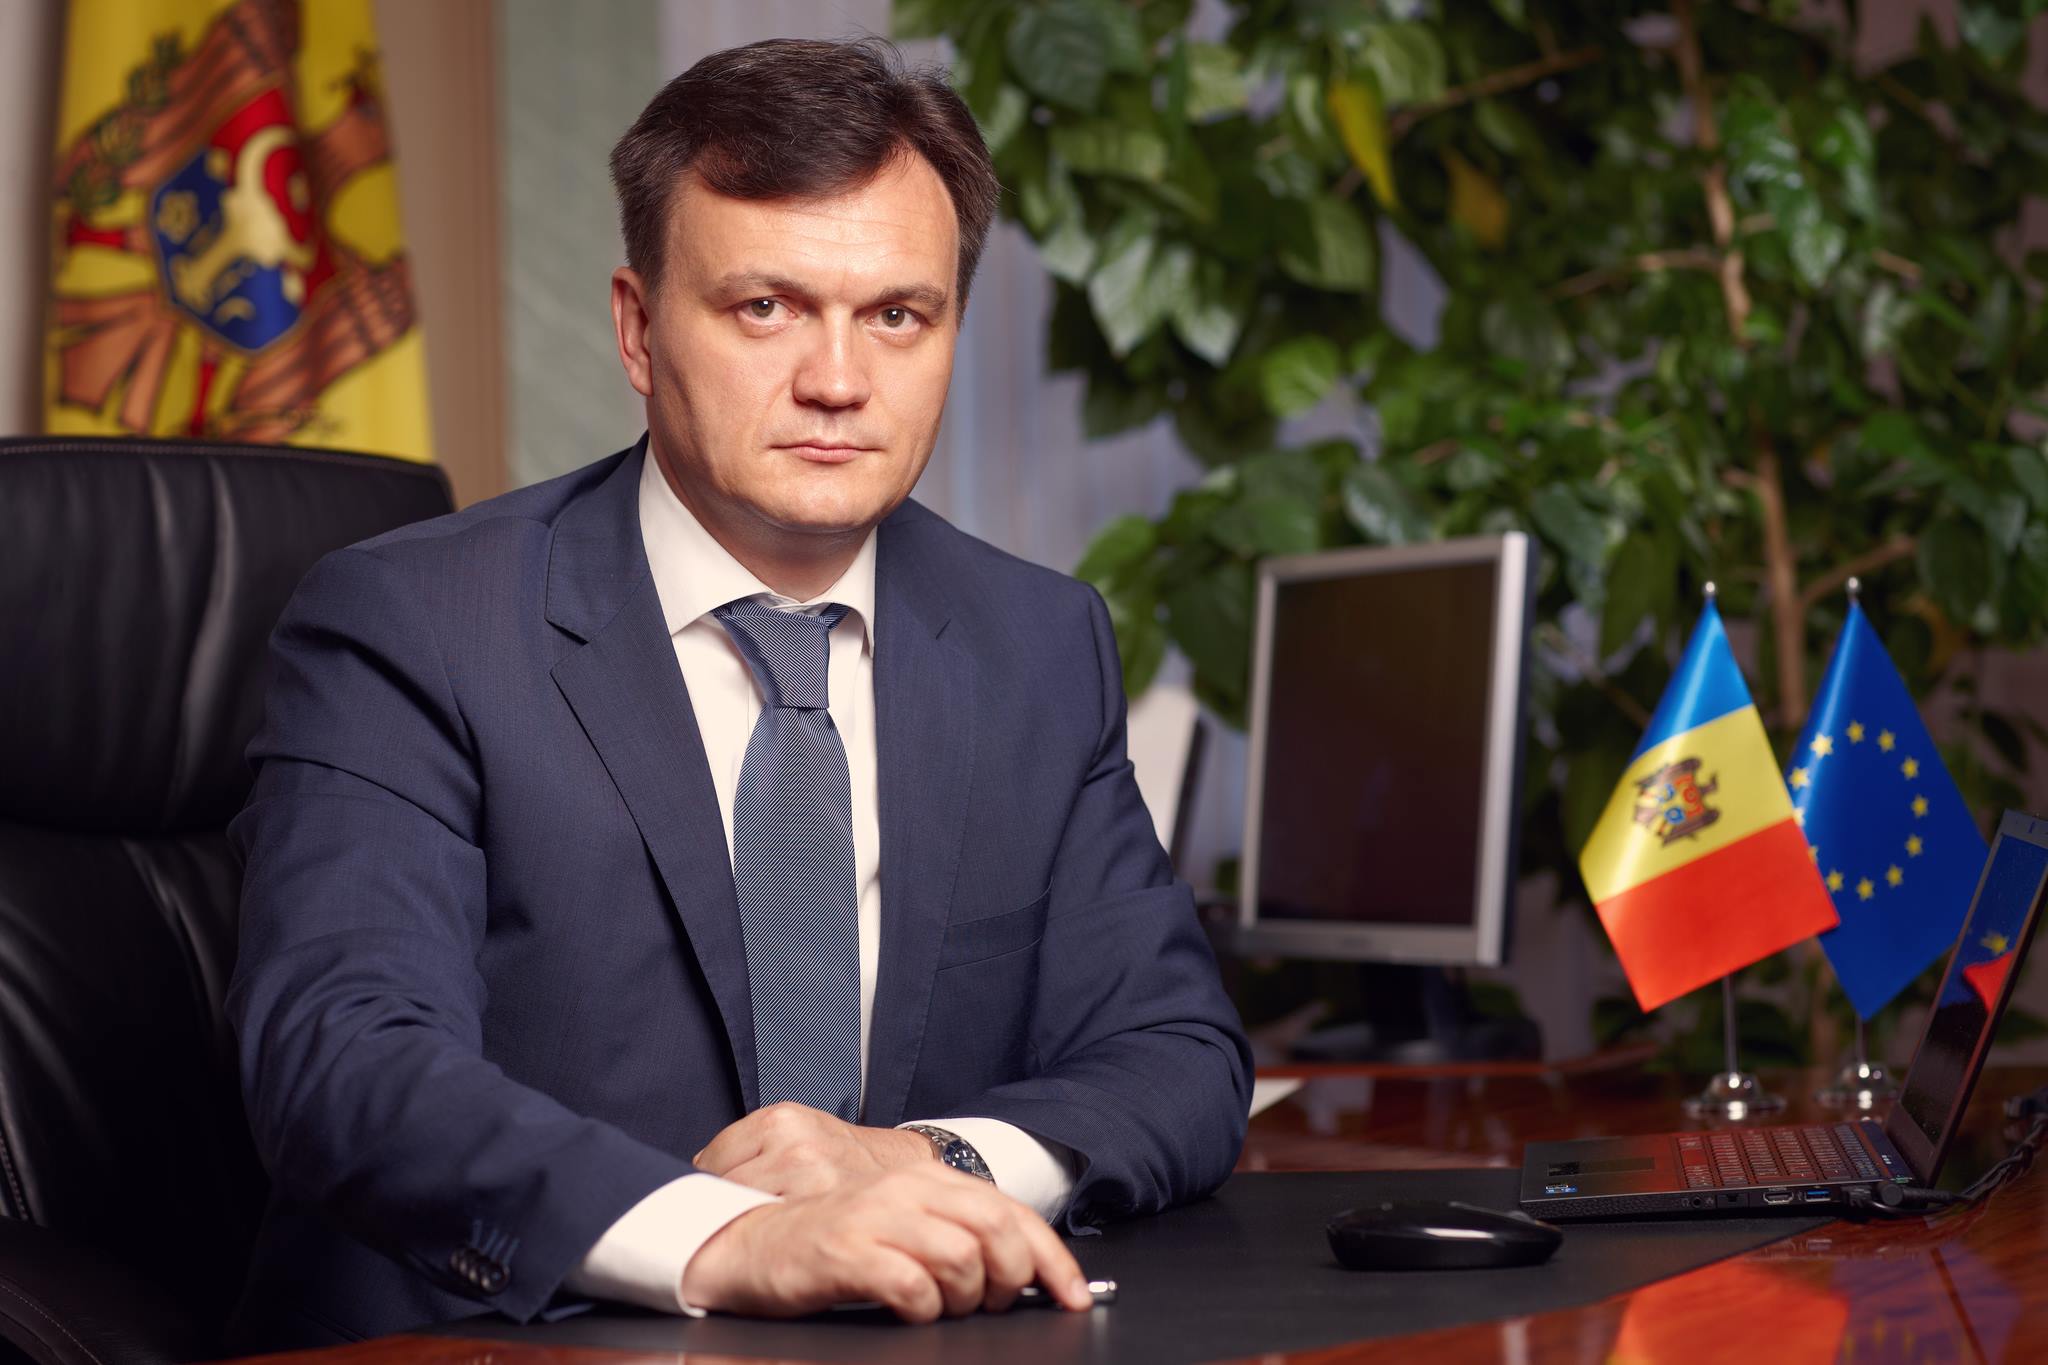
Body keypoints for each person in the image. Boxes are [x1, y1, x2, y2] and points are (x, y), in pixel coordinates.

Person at [225, 36, 1251, 1349]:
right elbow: (344, 1056)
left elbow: (1178, 1054)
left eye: (899, 316)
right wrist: (726, 1236)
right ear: (639, 329)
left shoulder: (1037, 640)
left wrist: (924, 1160)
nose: (839, 381)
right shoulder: (415, 624)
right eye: (766, 307)